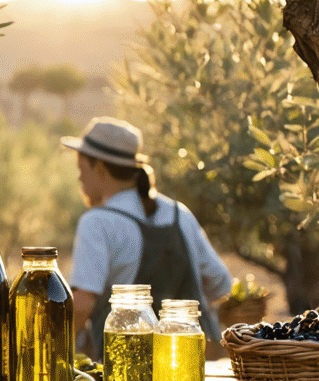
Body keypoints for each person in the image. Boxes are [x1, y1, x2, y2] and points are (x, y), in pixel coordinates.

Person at [61, 117, 231, 360]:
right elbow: (221, 283)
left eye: (81, 169)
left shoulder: (97, 222)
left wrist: (56, 357)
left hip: (129, 368)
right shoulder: (178, 213)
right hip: (193, 362)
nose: (79, 179)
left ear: (98, 167)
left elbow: (82, 305)